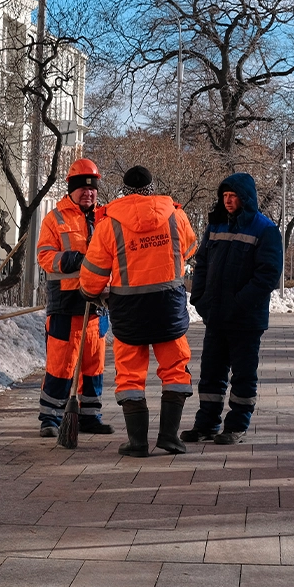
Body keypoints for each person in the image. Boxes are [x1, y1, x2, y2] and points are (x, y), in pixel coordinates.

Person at [80, 166, 198, 457]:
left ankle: (137, 443)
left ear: (124, 189)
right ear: (150, 187)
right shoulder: (174, 214)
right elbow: (191, 248)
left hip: (130, 310)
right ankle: (169, 437)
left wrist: (89, 292)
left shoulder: (110, 222)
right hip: (168, 307)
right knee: (175, 369)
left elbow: (94, 272)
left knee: (130, 375)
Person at [182, 173, 283, 445]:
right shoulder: (216, 226)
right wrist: (199, 298)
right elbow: (201, 263)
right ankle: (206, 424)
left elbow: (268, 276)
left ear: (245, 197)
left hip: (245, 320)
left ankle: (236, 425)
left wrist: (239, 304)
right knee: (211, 374)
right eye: (224, 196)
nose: (227, 201)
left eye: (233, 196)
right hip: (215, 316)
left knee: (243, 375)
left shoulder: (265, 230)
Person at [34, 158, 112, 437]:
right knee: (61, 363)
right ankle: (51, 419)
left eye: (92, 189)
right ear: (71, 190)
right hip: (66, 305)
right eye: (82, 188)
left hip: (97, 305)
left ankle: (90, 416)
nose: (88, 193)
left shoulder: (105, 218)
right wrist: (73, 260)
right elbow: (44, 256)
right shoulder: (55, 219)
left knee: (94, 363)